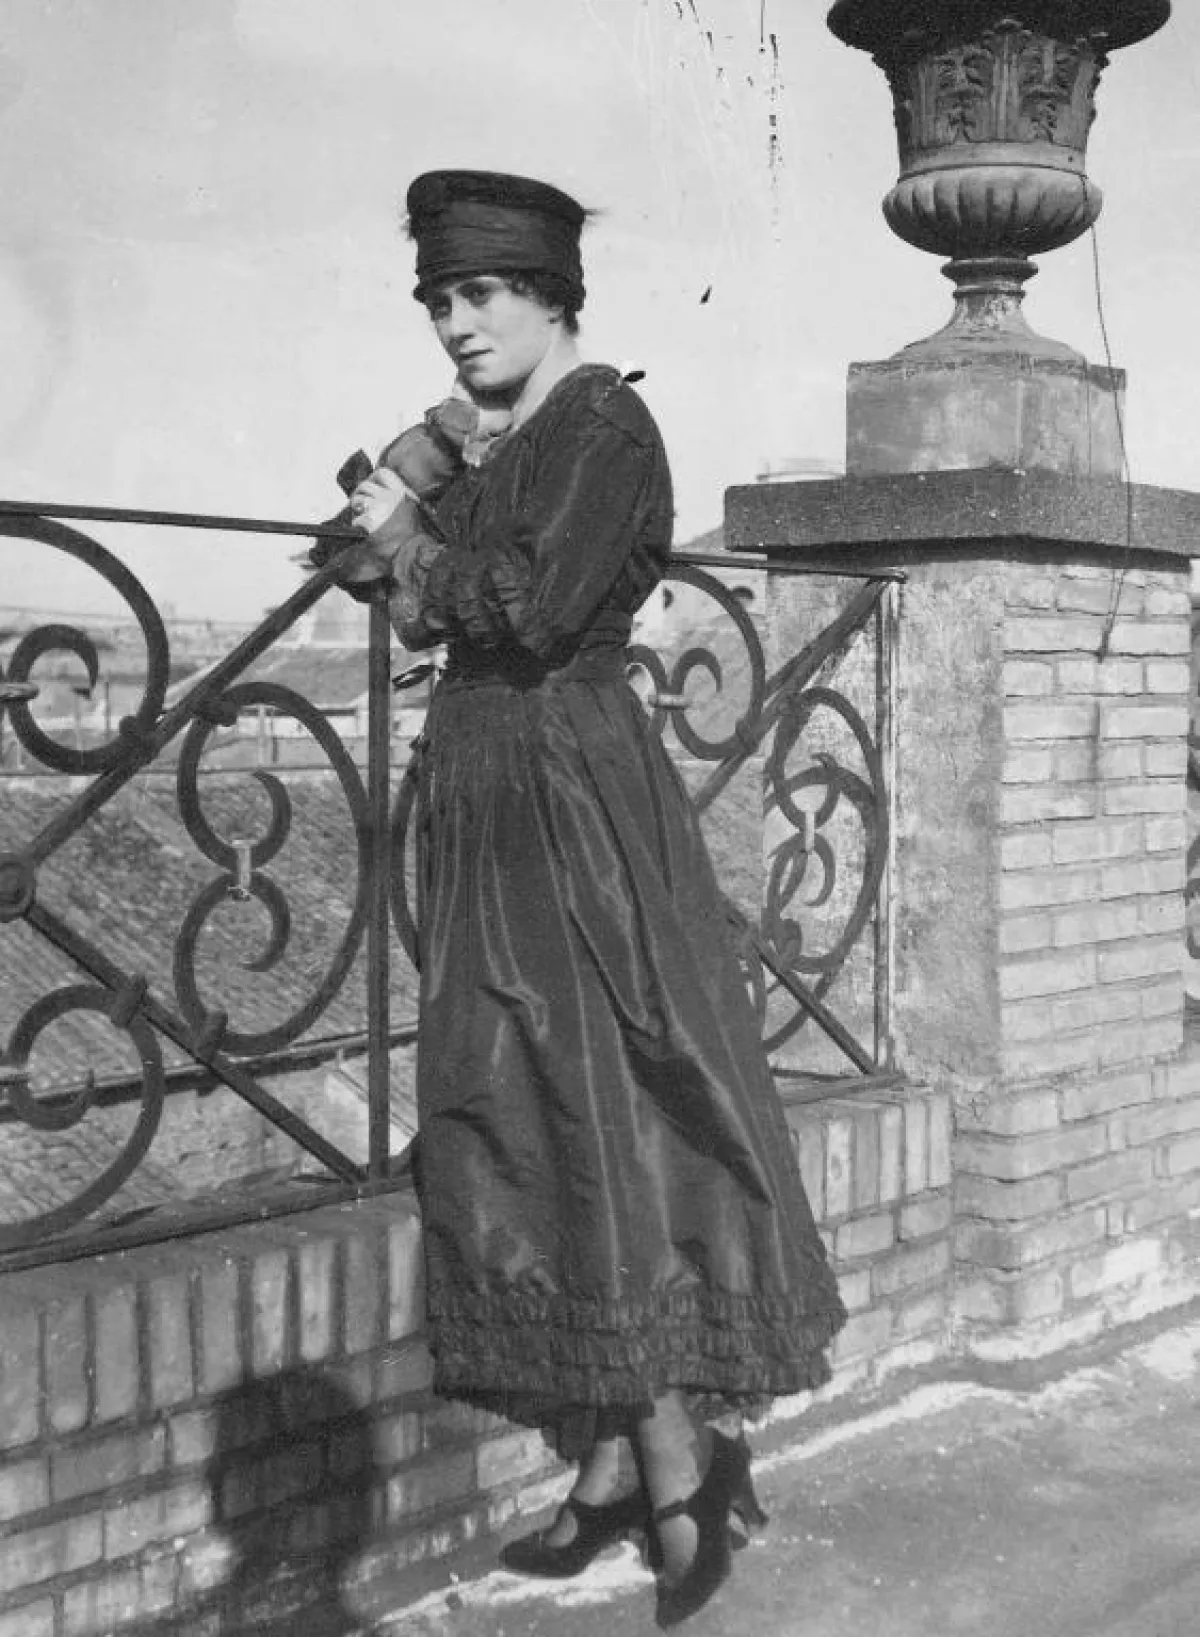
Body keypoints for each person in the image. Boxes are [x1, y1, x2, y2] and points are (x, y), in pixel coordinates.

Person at [341, 169, 847, 1629]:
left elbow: (530, 605)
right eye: (438, 301)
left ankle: (680, 1463)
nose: (456, 324)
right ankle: (616, 1467)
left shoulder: (603, 427)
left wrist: (413, 535)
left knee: (602, 1097)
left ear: (554, 295)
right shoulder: (495, 438)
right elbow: (372, 569)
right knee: (516, 1100)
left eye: (481, 294)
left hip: (569, 791)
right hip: (488, 790)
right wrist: (423, 470)